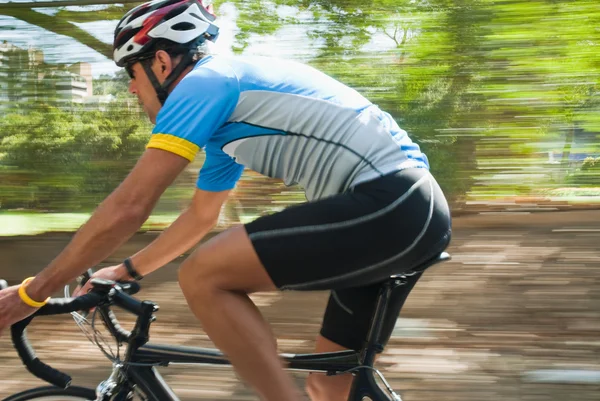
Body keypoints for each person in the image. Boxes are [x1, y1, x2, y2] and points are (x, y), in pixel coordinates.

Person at [0, 0, 452, 400]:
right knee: (329, 385)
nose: (132, 91)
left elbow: (128, 208)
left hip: (391, 204)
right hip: (404, 213)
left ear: (160, 62)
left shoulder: (207, 83)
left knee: (203, 274)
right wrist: (122, 270)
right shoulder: (226, 128)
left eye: (130, 75)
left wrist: (32, 293)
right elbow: (200, 218)